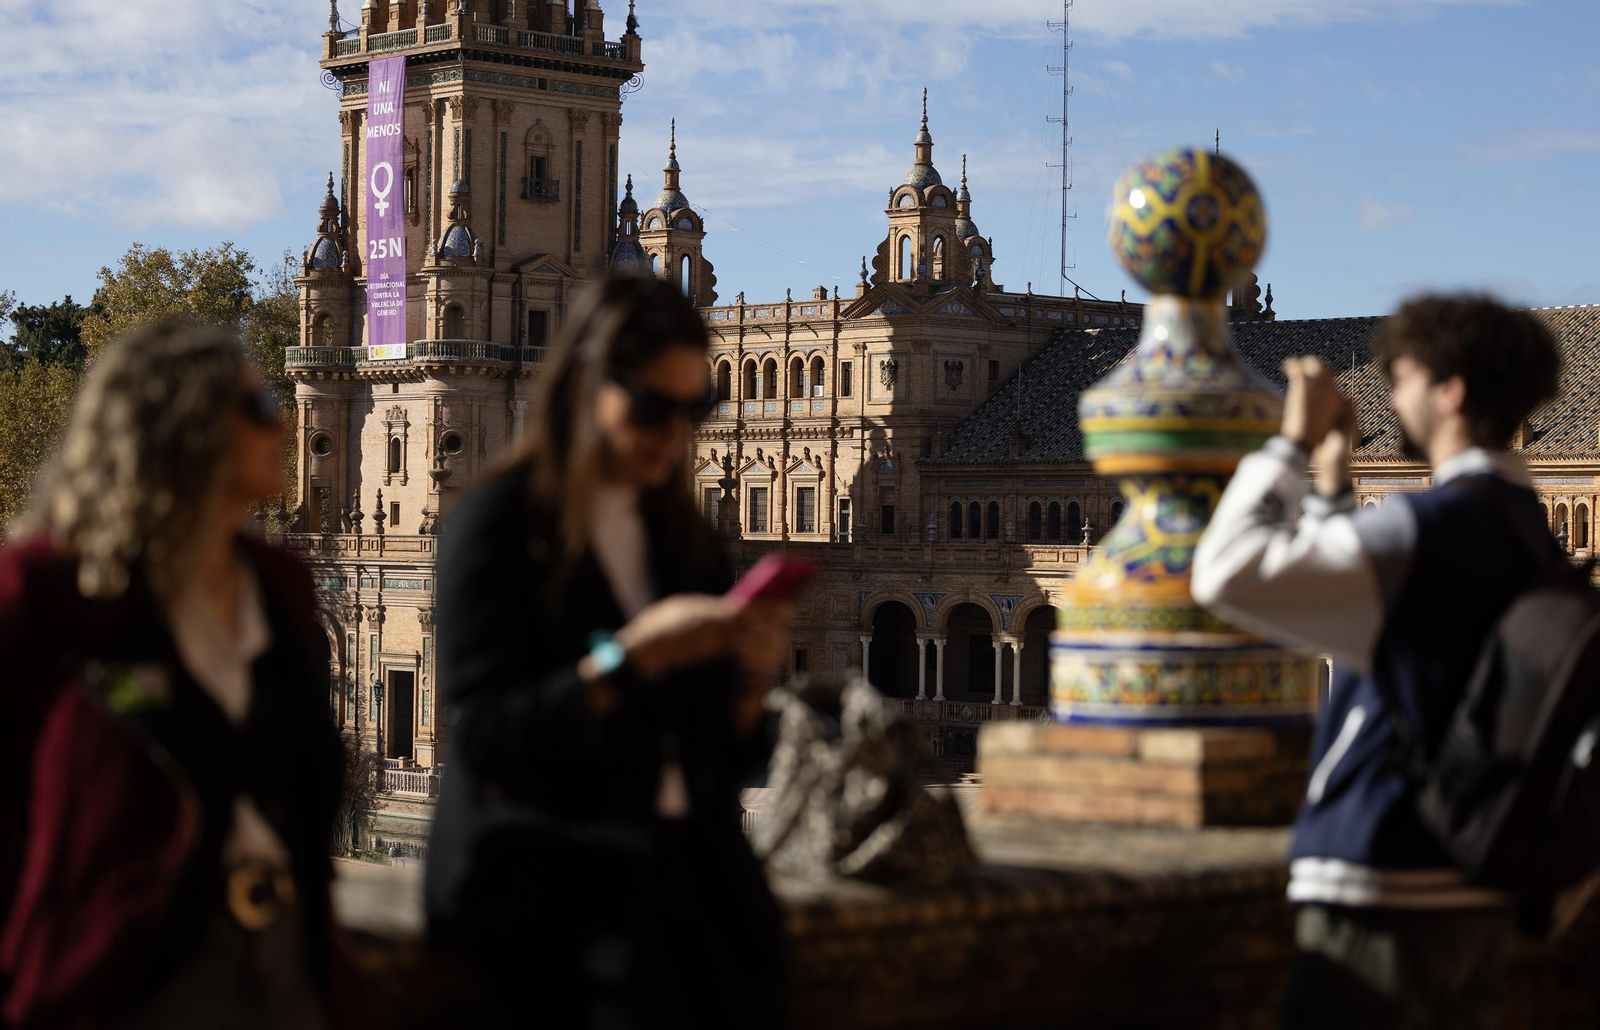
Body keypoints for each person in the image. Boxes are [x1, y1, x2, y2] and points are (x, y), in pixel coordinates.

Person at [426, 276, 793, 1028]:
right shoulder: (495, 527)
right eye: (652, 407)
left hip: (690, 887)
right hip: (555, 897)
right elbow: (489, 736)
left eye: (696, 411)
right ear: (587, 383)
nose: (674, 433)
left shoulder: (686, 542)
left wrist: (750, 677)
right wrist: (631, 657)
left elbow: (725, 756)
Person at [1191, 294, 1563, 1029]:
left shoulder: (1425, 529)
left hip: (1384, 884)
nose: (1391, 397)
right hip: (1478, 891)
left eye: (1404, 378)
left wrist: (1289, 445)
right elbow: (1369, 631)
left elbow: (1224, 572)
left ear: (1450, 392)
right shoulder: (1533, 538)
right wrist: (1333, 489)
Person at [0, 321, 348, 1029]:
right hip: (124, 977)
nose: (284, 428)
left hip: (284, 970)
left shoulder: (282, 585)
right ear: (180, 428)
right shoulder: (46, 591)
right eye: (260, 409)